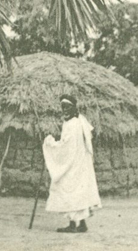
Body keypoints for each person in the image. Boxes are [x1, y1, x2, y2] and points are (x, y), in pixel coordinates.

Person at [42, 94, 101, 233]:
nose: (65, 110)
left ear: (73, 108)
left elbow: (66, 147)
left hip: (73, 164)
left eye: (67, 107)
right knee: (78, 192)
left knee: (69, 189)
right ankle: (81, 224)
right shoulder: (81, 121)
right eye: (63, 108)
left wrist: (49, 144)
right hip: (81, 164)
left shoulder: (71, 124)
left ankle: (74, 225)